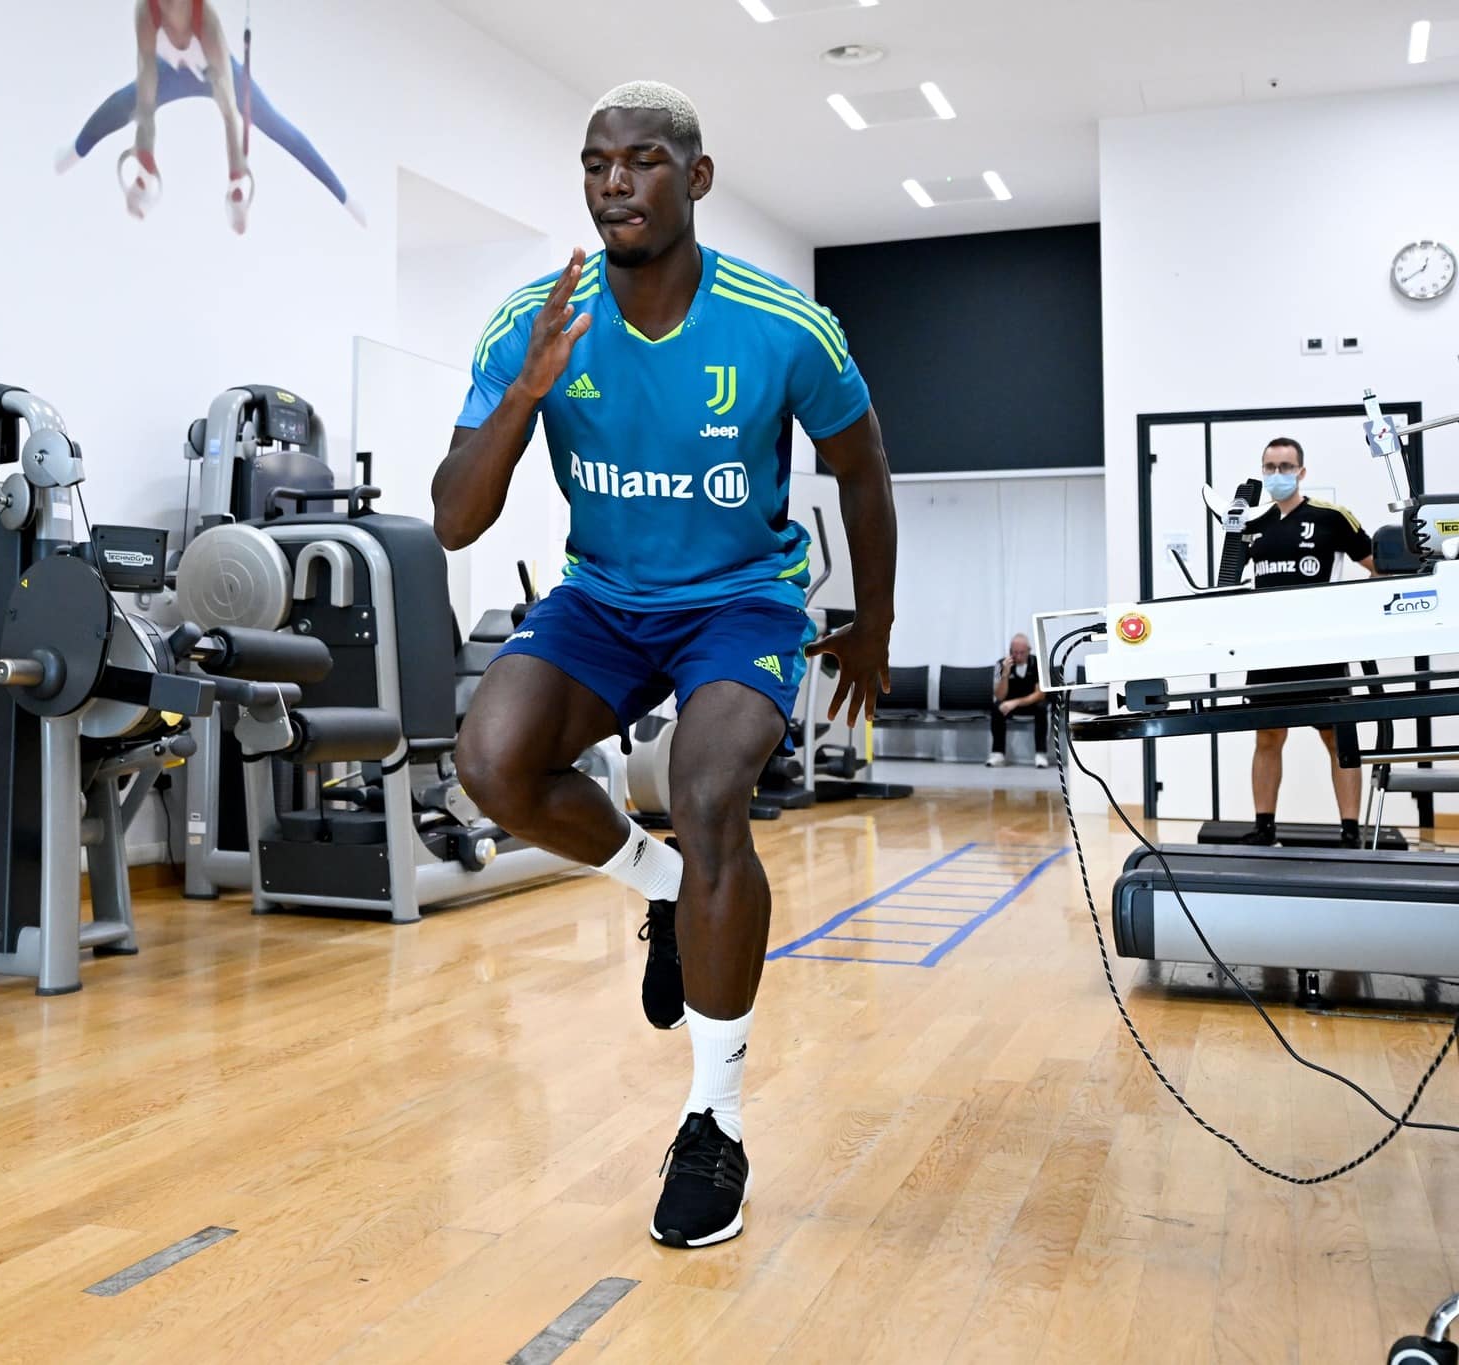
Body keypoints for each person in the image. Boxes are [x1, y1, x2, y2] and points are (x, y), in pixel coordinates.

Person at [433, 81, 896, 1250]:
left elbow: (862, 468)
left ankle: (713, 1121)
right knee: (491, 764)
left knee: (707, 793)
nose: (613, 184)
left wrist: (873, 623)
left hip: (739, 600)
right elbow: (451, 520)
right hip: (602, 596)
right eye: (595, 164)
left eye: (640, 161)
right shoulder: (533, 321)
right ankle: (657, 889)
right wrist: (527, 392)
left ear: (694, 178)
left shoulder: (780, 324)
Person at [54, 0, 364, 232]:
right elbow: (145, 97)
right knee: (121, 105)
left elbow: (229, 112)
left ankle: (347, 199)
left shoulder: (207, 21)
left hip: (219, 76)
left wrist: (237, 175)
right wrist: (144, 160)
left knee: (277, 127)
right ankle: (71, 155)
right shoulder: (146, 11)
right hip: (168, 76)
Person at [1238, 436, 1376, 846]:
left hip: (1321, 650)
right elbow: (1232, 582)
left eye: (1285, 467)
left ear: (1301, 472)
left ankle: (1350, 832)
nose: (1277, 474)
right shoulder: (1253, 525)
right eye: (1270, 467)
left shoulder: (1332, 517)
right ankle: (1264, 828)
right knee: (1267, 736)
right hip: (1269, 652)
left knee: (1336, 738)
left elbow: (1378, 566)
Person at [987, 633, 1048, 768]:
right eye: (1015, 652)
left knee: (1042, 707)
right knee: (996, 707)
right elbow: (1000, 696)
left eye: (1022, 652)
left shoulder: (1038, 663)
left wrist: (1015, 702)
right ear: (1010, 651)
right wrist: (1005, 674)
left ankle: (1041, 753)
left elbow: (1040, 694)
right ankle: (997, 753)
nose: (1018, 656)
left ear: (1029, 651)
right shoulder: (1000, 664)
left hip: (1030, 703)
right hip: (1008, 705)